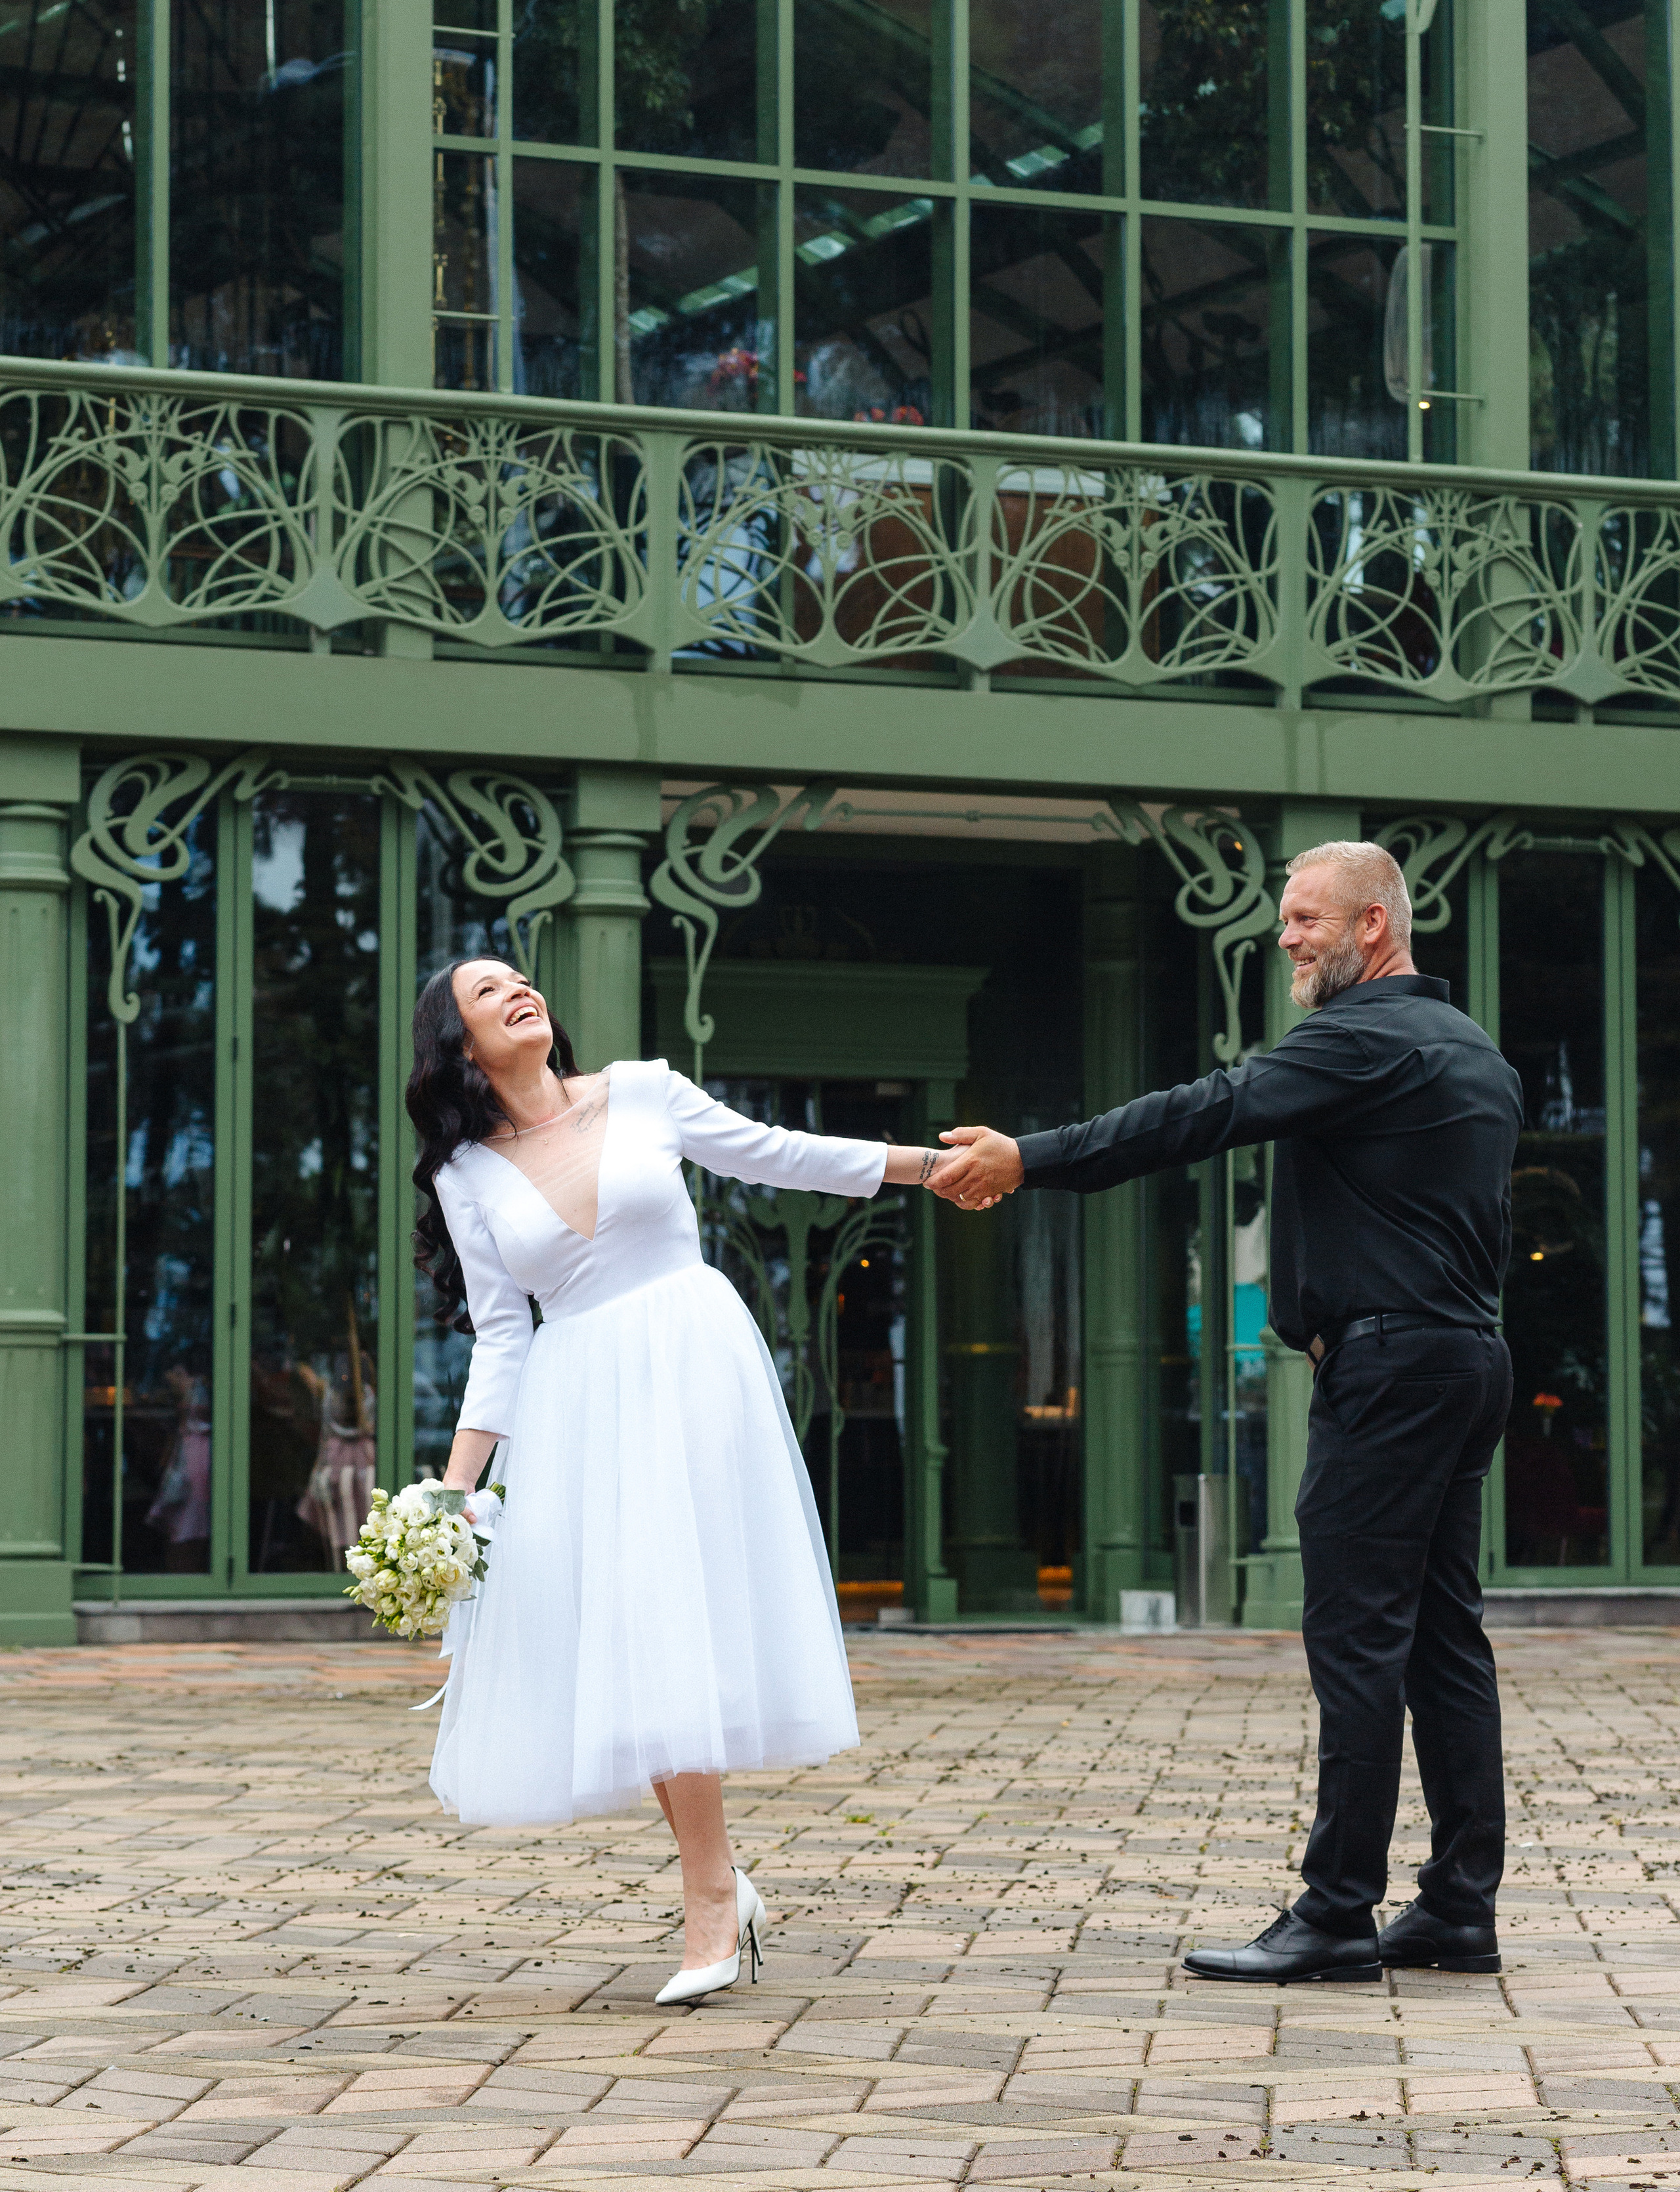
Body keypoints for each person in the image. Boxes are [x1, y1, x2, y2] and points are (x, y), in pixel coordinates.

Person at [929, 841, 1523, 1983]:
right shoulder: (1471, 1050)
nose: (1289, 937)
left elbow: (1202, 1112)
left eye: (1309, 918)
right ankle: (1458, 1905)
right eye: (1286, 919)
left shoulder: (1360, 1038)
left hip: (1393, 1370)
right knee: (1445, 1643)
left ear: (1374, 930)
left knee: (1358, 1644)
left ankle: (1337, 1915)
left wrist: (1030, 1158)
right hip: (1467, 1360)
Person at [407, 956, 954, 2006]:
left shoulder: (646, 1090)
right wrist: (453, 1491)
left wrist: (927, 1167)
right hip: (577, 1404)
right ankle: (716, 1886)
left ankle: (710, 1892)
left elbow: (783, 1155)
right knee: (639, 1628)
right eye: (487, 992)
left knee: (672, 1617)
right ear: (458, 1045)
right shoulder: (464, 1176)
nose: (519, 989)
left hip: (694, 1372)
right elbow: (500, 1339)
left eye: (523, 977)